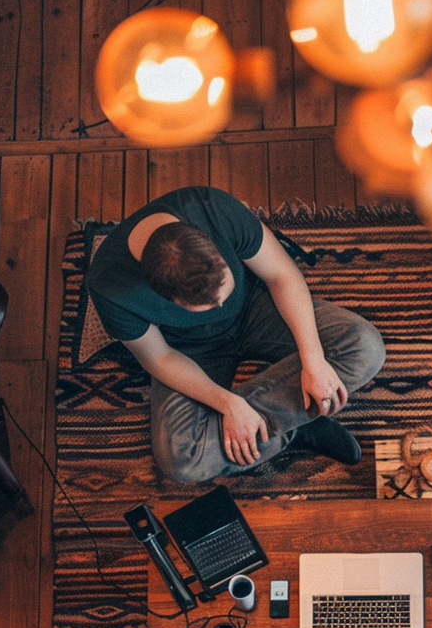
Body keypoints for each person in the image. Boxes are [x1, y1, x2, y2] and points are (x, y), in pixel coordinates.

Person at [87, 186, 386, 483]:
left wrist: (314, 361)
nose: (221, 306)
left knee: (366, 346)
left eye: (223, 291)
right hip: (189, 350)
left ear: (216, 252)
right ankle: (295, 425)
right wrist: (229, 404)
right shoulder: (109, 286)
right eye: (206, 306)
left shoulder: (212, 208)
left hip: (257, 308)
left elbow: (281, 275)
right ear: (162, 295)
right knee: (182, 461)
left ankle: (269, 425)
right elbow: (159, 358)